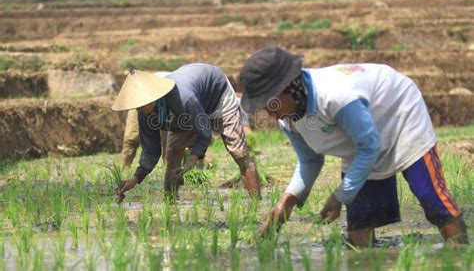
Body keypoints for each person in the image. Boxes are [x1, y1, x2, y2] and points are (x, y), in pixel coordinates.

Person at [239, 47, 468, 246]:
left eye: (268, 102)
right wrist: (288, 200)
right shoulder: (288, 117)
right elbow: (310, 160)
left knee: (431, 197)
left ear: (287, 87)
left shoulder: (336, 96)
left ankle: (461, 256)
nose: (268, 112)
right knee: (360, 227)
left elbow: (370, 147)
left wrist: (340, 196)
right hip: (359, 139)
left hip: (398, 113)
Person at [112, 64, 261, 198]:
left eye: (141, 104)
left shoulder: (184, 99)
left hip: (216, 94)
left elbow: (204, 133)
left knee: (239, 153)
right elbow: (151, 151)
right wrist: (136, 178)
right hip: (186, 109)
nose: (139, 108)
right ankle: (170, 206)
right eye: (136, 105)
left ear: (153, 96)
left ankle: (256, 205)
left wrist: (194, 157)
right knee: (173, 155)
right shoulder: (144, 113)